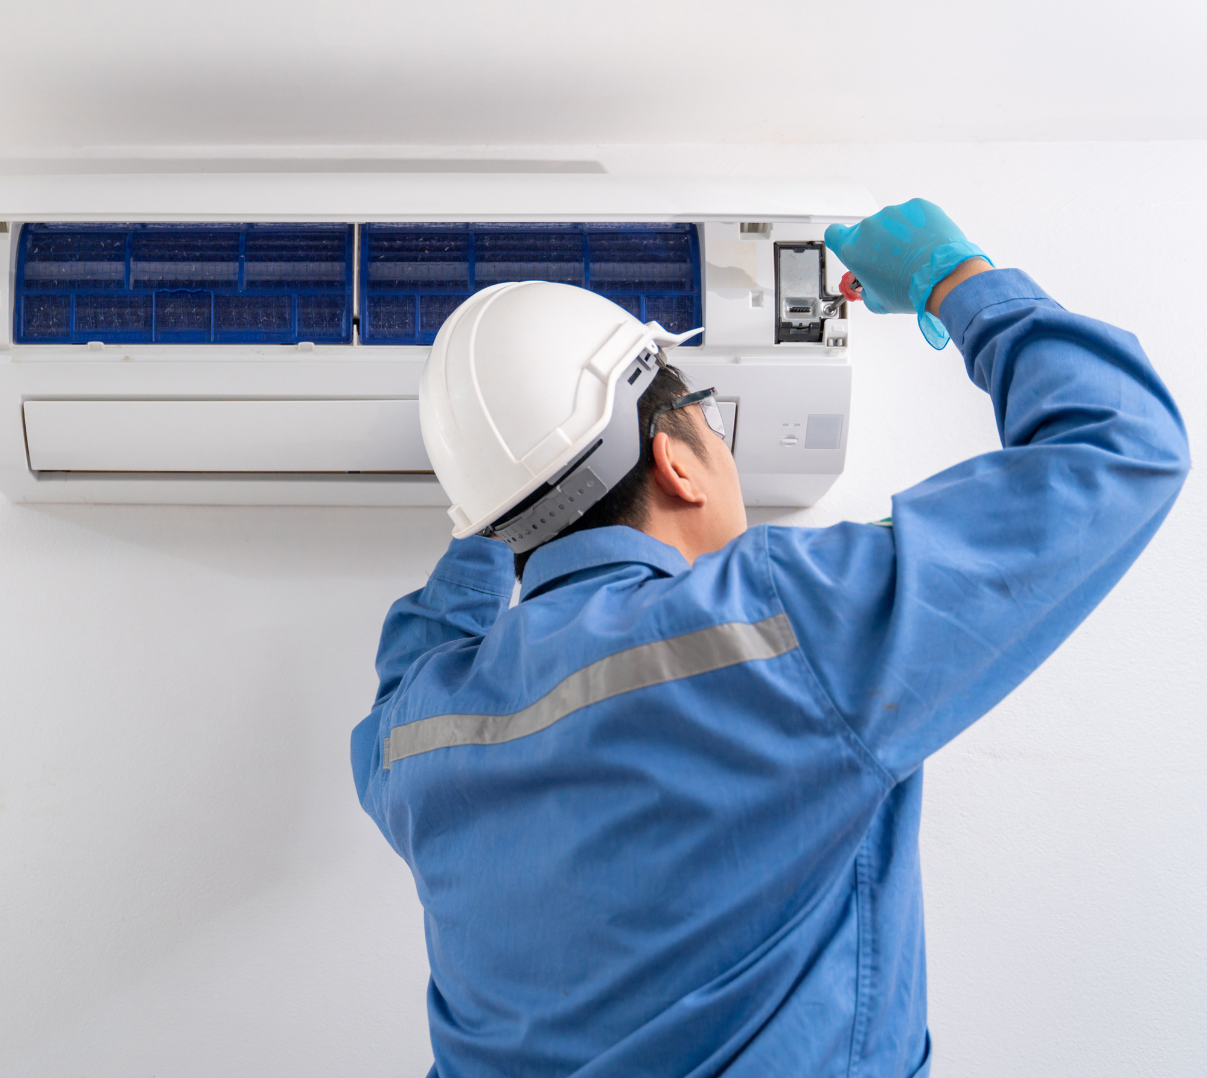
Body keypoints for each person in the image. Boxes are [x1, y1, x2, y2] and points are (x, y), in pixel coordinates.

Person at [351, 200, 1189, 1078]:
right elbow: (1122, 447)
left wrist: (498, 500)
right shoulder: (783, 625)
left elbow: (415, 655)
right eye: (709, 418)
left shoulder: (417, 739)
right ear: (675, 462)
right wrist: (954, 278)